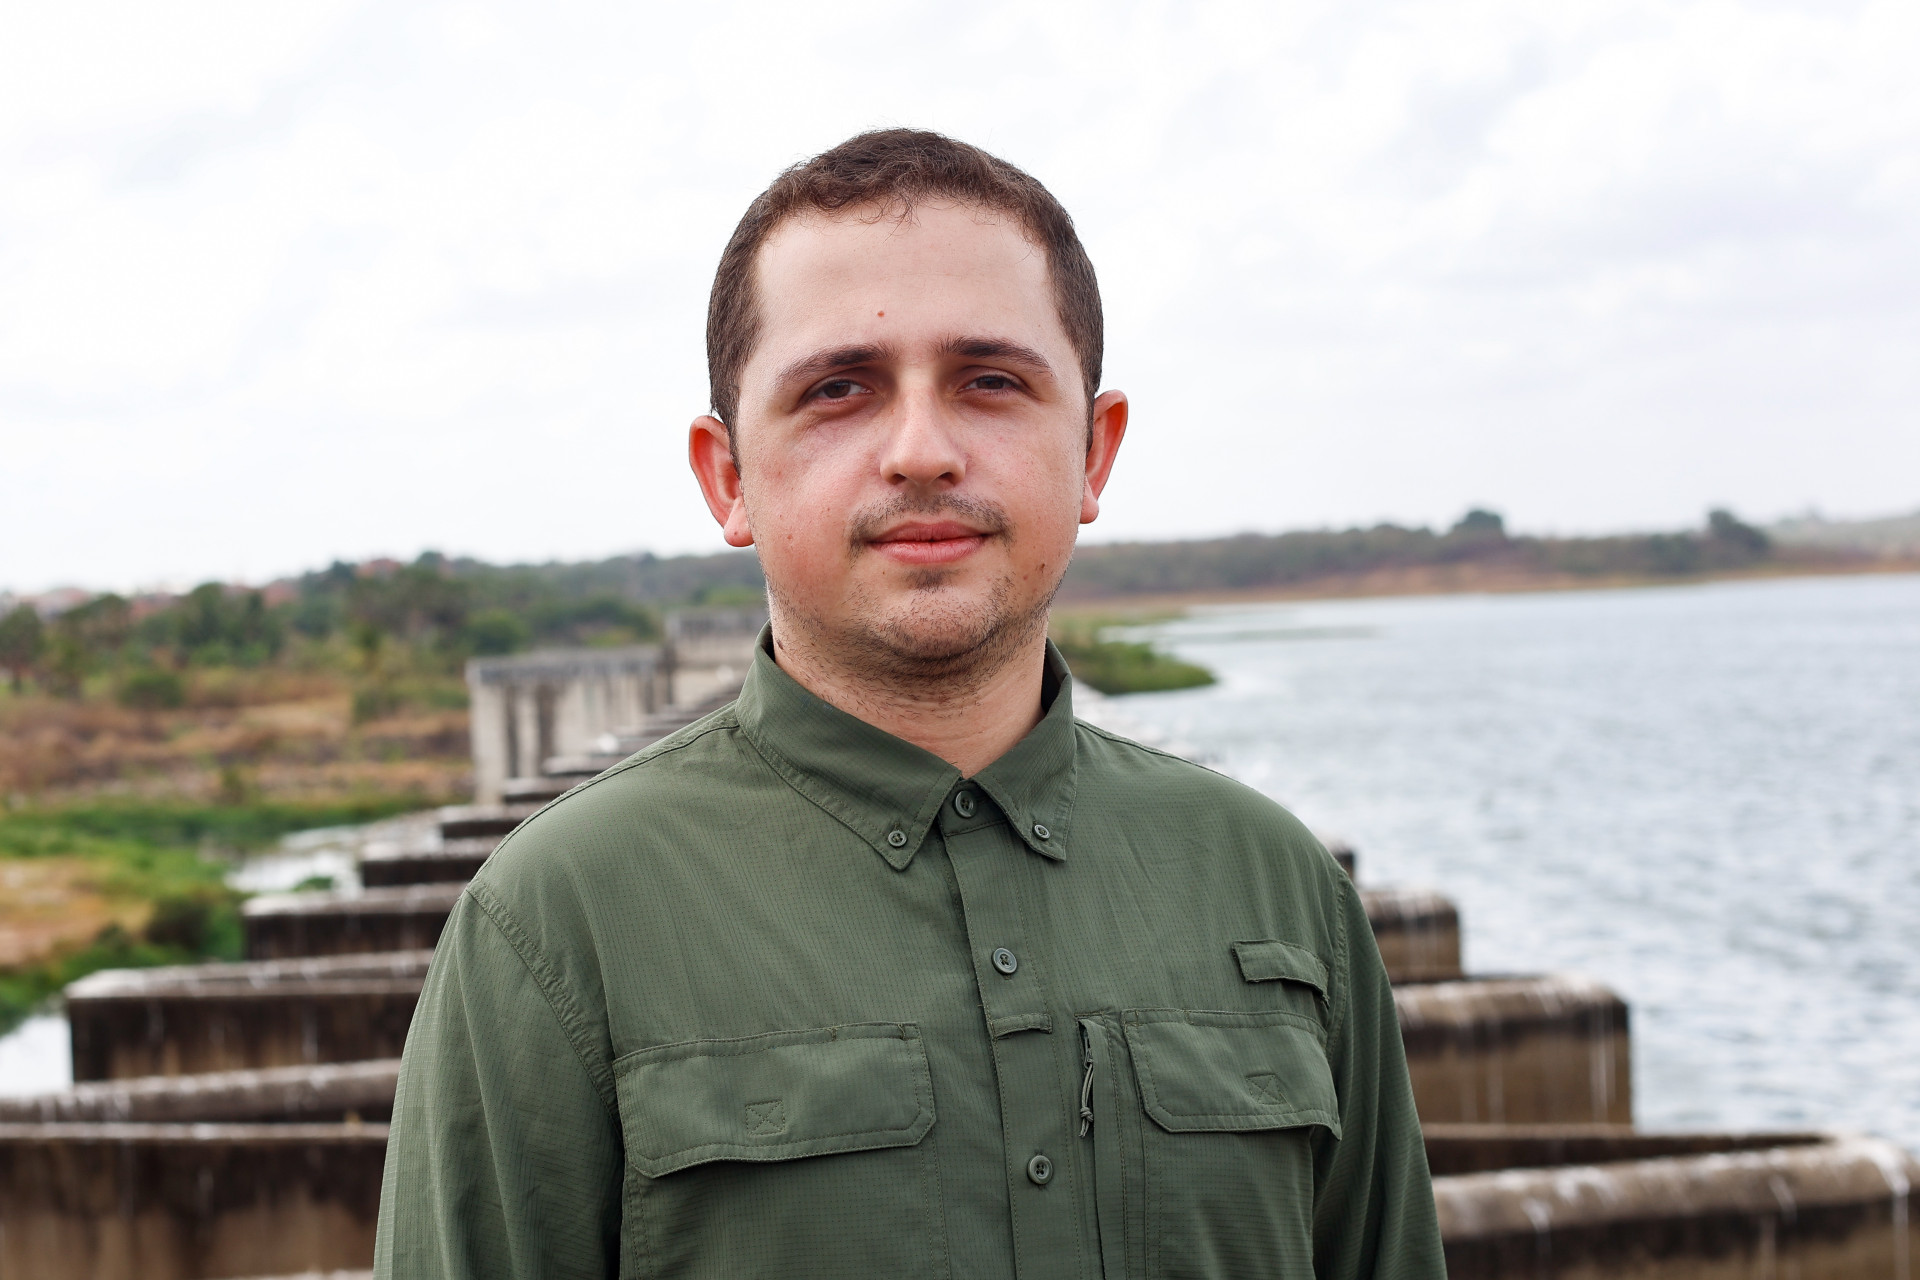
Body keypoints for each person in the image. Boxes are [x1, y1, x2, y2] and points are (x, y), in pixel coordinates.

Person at [375, 128, 1443, 1280]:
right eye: (840, 389)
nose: (923, 451)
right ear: (727, 475)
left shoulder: (1280, 890)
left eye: (990, 380)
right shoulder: (553, 924)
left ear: (1094, 448)